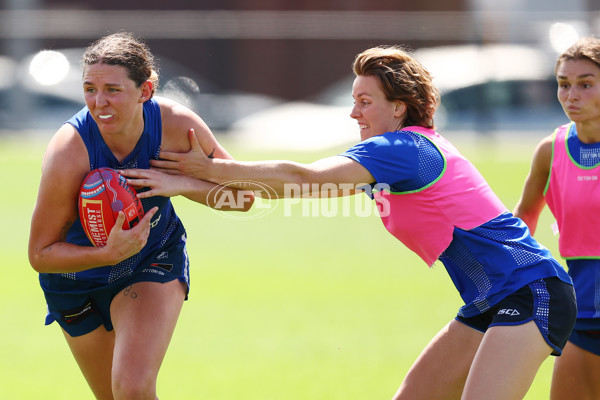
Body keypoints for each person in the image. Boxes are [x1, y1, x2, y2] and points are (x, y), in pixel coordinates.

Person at [123, 45, 577, 399]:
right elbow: (293, 191)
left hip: (531, 290)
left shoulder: (403, 150)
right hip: (490, 300)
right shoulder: (392, 159)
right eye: (354, 100)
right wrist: (182, 185)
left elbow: (303, 175)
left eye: (365, 101)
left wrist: (211, 168)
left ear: (398, 107)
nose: (354, 112)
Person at [28, 32, 252, 400]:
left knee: (131, 388)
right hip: (74, 280)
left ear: (145, 90)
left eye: (113, 90)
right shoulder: (68, 152)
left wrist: (179, 184)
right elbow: (40, 255)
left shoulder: (177, 126)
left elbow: (242, 199)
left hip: (150, 258)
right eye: (89, 89)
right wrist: (106, 253)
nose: (99, 102)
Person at [513, 36, 600, 400]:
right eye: (564, 84)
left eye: (585, 84)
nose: (571, 95)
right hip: (580, 317)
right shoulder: (551, 150)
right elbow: (522, 222)